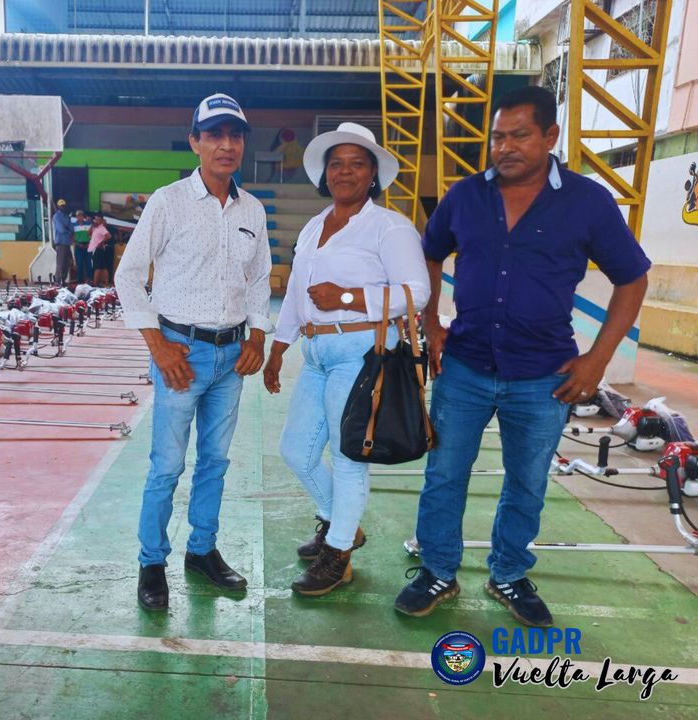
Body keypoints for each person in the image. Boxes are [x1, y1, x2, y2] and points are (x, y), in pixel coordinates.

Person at [393, 86, 650, 628]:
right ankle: (437, 569)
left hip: (544, 376)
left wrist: (598, 360)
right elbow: (429, 255)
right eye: (497, 137)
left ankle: (508, 572)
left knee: (527, 482)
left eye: (519, 135)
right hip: (463, 366)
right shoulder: (465, 196)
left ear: (550, 136)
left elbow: (632, 279)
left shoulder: (587, 202)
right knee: (445, 473)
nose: (504, 147)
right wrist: (430, 322)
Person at [116, 92, 273, 611]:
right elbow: (128, 276)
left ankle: (201, 550)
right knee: (166, 465)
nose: (226, 145)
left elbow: (259, 279)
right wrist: (157, 345)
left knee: (215, 461)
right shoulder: (168, 202)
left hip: (232, 358)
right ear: (195, 143)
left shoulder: (252, 210)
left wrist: (257, 335)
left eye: (235, 136)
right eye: (214, 136)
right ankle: (152, 562)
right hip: (181, 355)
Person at [263, 123, 430, 597]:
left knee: (348, 457)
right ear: (325, 173)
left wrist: (348, 297)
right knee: (295, 450)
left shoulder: (390, 227)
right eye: (336, 163)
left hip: (360, 353)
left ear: (373, 174)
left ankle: (338, 554)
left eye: (357, 164)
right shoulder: (315, 225)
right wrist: (278, 348)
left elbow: (416, 293)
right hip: (317, 353)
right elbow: (297, 293)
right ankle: (341, 524)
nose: (345, 171)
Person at [52, 198, 74, 285]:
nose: (63, 207)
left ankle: (63, 280)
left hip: (67, 242)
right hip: (61, 242)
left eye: (63, 205)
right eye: (61, 205)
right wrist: (68, 230)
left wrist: (67, 229)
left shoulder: (66, 216)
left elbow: (72, 228)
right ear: (58, 206)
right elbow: (61, 229)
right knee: (60, 262)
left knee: (66, 263)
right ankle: (58, 280)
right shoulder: (56, 216)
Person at [88, 213, 113, 287]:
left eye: (98, 220)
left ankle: (95, 284)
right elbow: (88, 234)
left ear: (101, 221)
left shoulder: (102, 228)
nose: (96, 221)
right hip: (96, 249)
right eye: (95, 219)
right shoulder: (95, 227)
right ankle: (106, 282)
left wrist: (101, 242)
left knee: (97, 267)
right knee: (103, 266)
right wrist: (92, 226)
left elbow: (109, 236)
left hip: (97, 249)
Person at [71, 210, 92, 283]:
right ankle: (80, 281)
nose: (80, 217)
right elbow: (72, 237)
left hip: (88, 245)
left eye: (81, 215)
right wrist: (77, 244)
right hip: (78, 246)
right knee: (79, 264)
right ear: (76, 217)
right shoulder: (73, 225)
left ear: (83, 216)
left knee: (88, 263)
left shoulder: (88, 224)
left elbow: (92, 234)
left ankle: (89, 279)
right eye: (78, 215)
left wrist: (89, 243)